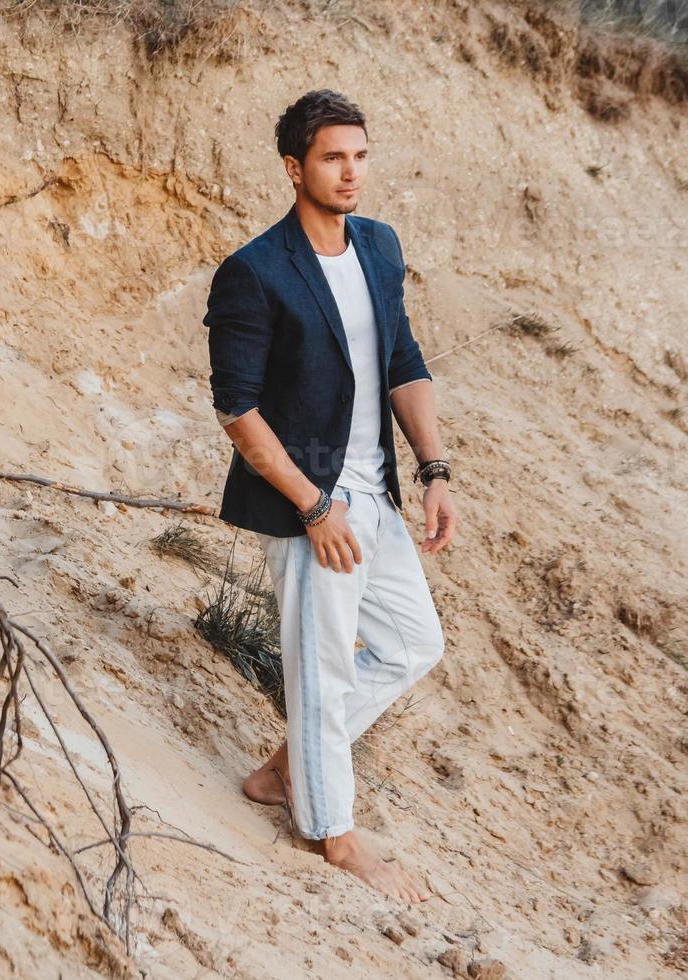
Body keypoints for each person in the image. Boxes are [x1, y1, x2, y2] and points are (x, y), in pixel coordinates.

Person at [203, 89, 458, 904]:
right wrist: (313, 508)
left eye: (360, 155)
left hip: (375, 491)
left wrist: (434, 468)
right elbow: (236, 410)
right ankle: (335, 838)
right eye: (332, 158)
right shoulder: (255, 272)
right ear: (294, 168)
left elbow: (403, 361)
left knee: (414, 644)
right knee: (320, 669)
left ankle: (286, 773)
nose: (351, 173)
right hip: (305, 494)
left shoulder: (379, 248)